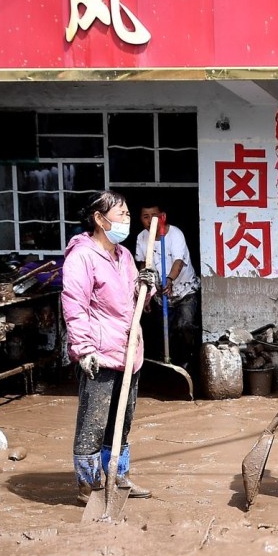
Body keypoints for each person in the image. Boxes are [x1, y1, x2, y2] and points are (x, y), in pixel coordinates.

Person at [63, 190, 160, 505]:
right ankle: (88, 486)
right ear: (99, 219)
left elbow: (138, 304)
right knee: (94, 420)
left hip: (129, 352)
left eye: (129, 214)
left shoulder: (126, 256)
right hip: (100, 354)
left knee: (124, 418)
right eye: (122, 215)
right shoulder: (82, 257)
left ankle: (117, 476)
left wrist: (148, 285)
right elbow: (74, 306)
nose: (128, 220)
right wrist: (83, 348)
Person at [135, 204, 201, 368]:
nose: (150, 221)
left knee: (185, 326)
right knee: (164, 331)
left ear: (162, 216)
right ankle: (167, 363)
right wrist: (146, 295)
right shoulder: (142, 238)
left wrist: (169, 279)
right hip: (161, 294)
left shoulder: (175, 234)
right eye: (145, 216)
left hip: (185, 290)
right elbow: (144, 266)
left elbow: (178, 261)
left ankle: (188, 361)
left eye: (154, 215)